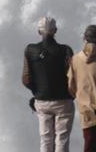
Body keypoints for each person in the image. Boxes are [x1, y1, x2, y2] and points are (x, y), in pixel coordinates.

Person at [23, 16, 75, 152]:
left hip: (42, 101)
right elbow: (73, 76)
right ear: (55, 30)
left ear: (38, 32)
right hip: (64, 100)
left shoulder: (30, 50)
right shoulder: (66, 50)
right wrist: (71, 94)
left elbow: (26, 79)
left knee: (45, 139)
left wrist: (37, 92)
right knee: (62, 138)